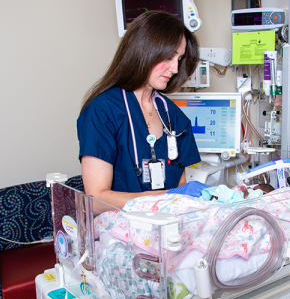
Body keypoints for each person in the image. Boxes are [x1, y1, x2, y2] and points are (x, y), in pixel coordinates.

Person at [77, 11, 208, 211]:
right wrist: (167, 197)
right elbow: (96, 200)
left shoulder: (172, 115)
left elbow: (181, 187)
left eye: (179, 59)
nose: (174, 68)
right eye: (168, 56)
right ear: (144, 51)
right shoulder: (103, 111)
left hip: (168, 227)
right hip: (120, 230)